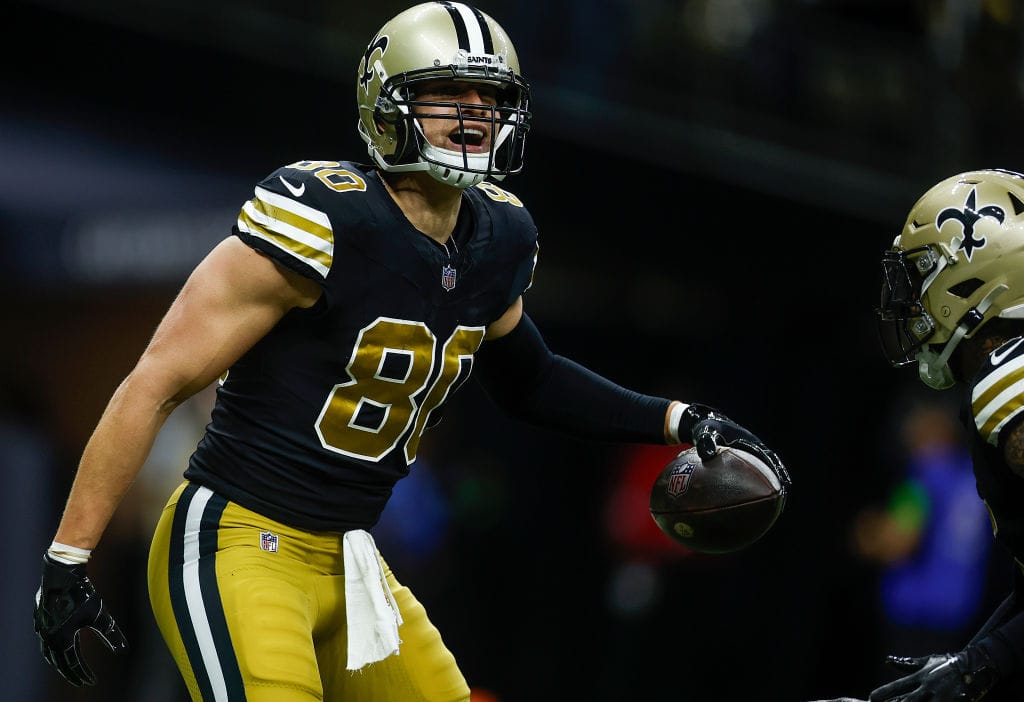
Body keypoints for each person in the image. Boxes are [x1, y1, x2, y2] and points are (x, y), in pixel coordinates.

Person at [31, 3, 787, 701]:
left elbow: (533, 379)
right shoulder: (323, 217)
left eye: (490, 99)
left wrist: (682, 421)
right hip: (238, 544)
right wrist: (69, 560)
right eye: (449, 93)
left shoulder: (499, 236)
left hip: (350, 557)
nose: (475, 115)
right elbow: (152, 383)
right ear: (387, 104)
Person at [813, 169, 1024, 702]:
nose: (910, 302)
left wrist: (980, 663)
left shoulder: (1009, 384)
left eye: (922, 276)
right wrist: (966, 667)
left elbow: (896, 535)